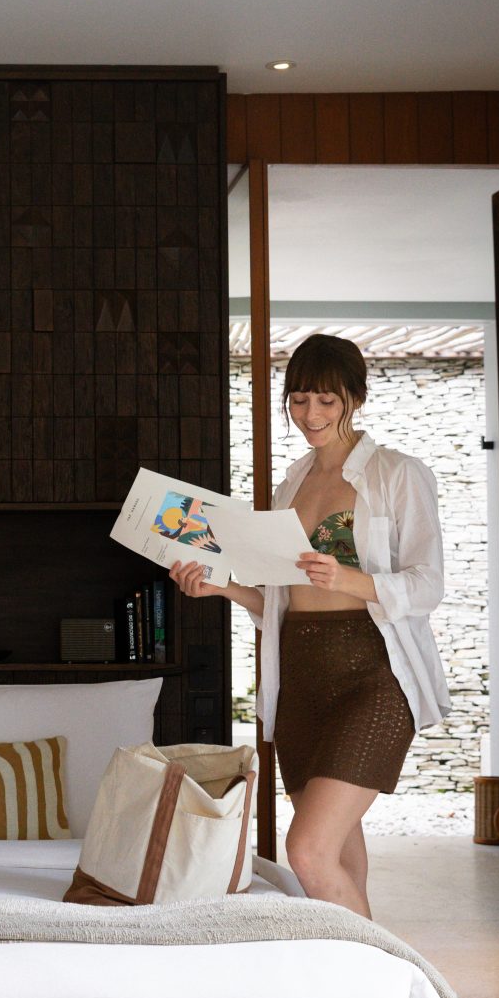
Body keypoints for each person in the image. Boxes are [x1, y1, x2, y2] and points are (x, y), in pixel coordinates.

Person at [170, 333, 450, 917]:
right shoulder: (290, 486)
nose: (311, 415)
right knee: (339, 860)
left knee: (307, 849)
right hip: (299, 679)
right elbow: (279, 598)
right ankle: (363, 992)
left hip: (372, 676)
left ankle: (400, 973)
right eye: (299, 399)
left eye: (327, 400)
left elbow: (428, 584)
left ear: (356, 397)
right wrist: (218, 587)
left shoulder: (398, 474)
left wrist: (345, 578)